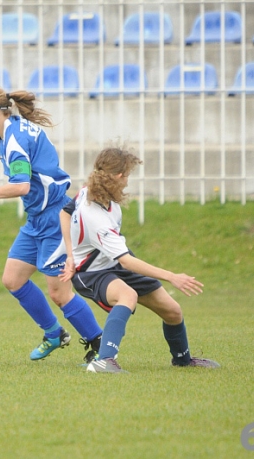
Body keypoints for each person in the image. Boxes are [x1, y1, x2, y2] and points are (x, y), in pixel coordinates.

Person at [0, 86, 103, 362]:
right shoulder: (12, 128)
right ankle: (54, 334)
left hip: (55, 218)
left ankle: (100, 345)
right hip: (37, 220)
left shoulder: (15, 139)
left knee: (59, 293)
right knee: (13, 279)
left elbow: (21, 186)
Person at [60, 146, 220, 373]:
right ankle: (104, 361)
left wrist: (69, 254)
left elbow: (64, 213)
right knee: (128, 295)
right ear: (118, 177)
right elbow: (127, 261)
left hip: (113, 262)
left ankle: (183, 361)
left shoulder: (87, 191)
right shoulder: (96, 217)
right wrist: (172, 276)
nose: (127, 182)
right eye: (127, 176)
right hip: (92, 272)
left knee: (172, 311)